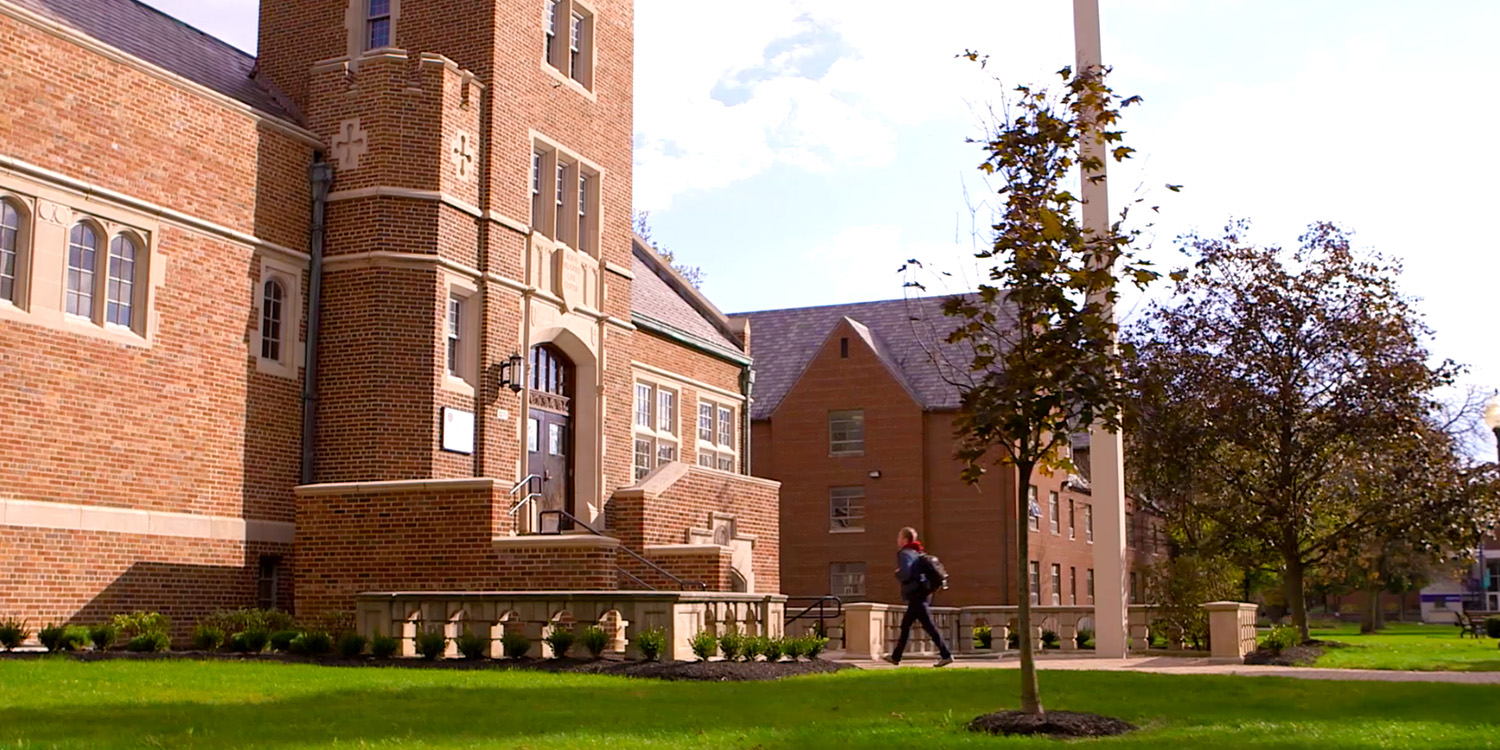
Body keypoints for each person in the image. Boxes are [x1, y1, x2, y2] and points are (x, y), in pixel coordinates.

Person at [888, 526, 953, 667]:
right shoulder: (918, 552)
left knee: (928, 626)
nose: (897, 540)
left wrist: (897, 573)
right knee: (906, 625)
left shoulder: (904, 553)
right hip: (923, 593)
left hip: (916, 594)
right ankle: (896, 656)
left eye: (899, 537)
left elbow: (906, 573)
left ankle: (946, 654)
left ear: (905, 540)